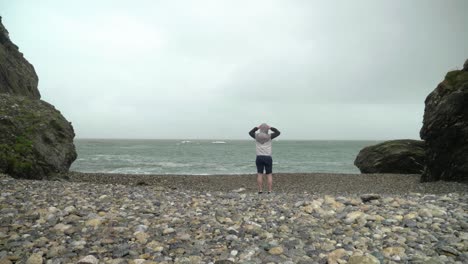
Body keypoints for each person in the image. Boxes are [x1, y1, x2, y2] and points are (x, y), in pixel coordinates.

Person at [249, 123, 281, 194]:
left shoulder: (256, 136)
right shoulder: (270, 136)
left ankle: (260, 190)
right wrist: (271, 127)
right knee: (269, 175)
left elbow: (250, 132)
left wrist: (256, 128)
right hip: (267, 157)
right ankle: (269, 191)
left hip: (259, 157)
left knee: (259, 174)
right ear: (267, 129)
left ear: (260, 129)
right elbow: (278, 132)